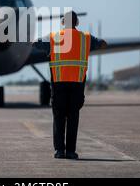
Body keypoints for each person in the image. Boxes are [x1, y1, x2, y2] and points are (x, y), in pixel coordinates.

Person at [36, 11, 107, 159]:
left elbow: (36, 44)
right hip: (77, 84)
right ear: (77, 22)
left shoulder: (53, 38)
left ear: (62, 22)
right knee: (73, 118)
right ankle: (71, 151)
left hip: (59, 84)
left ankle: (59, 151)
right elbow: (103, 43)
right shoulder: (86, 38)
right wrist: (94, 45)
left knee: (59, 118)